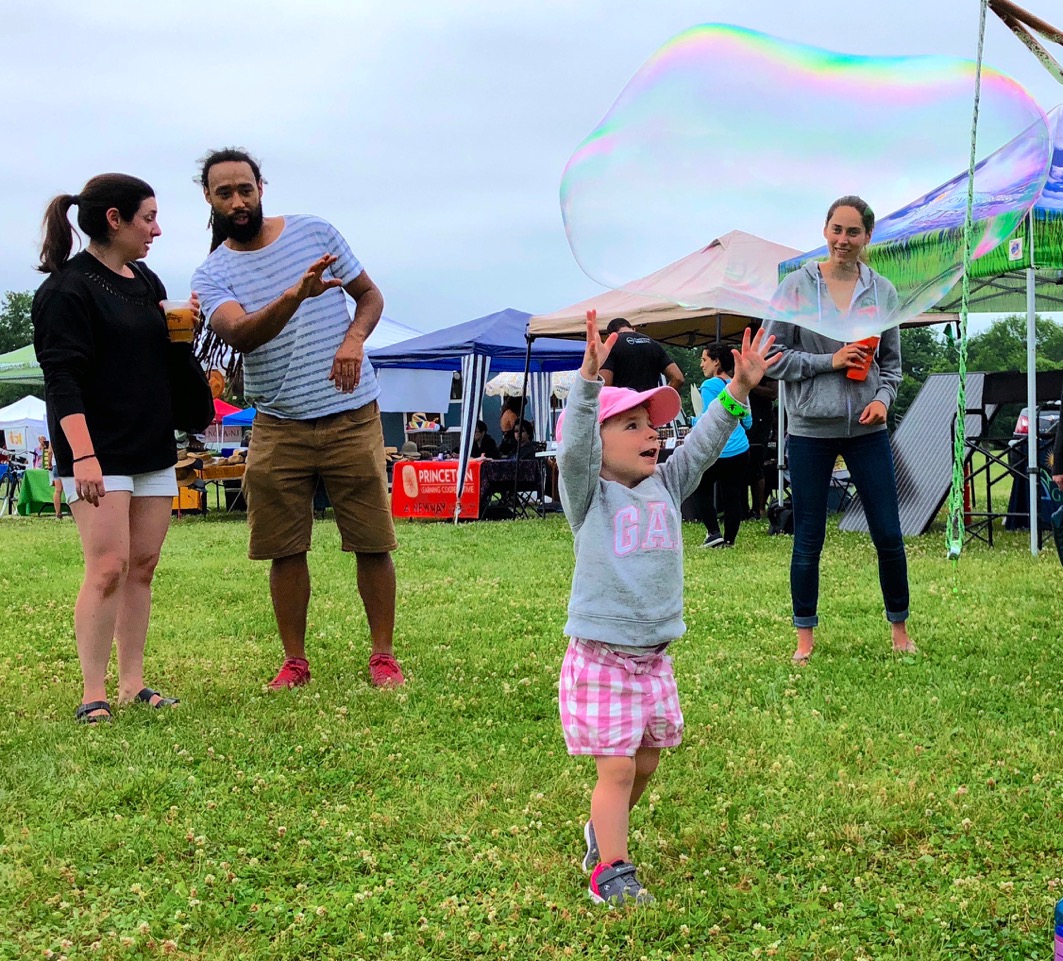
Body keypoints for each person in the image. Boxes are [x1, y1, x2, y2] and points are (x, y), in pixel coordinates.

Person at [557, 310, 777, 906]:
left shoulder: (667, 483)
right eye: (631, 426)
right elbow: (573, 450)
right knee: (619, 770)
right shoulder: (587, 494)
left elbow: (705, 439)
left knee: (648, 762)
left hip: (654, 660)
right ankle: (613, 871)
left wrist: (738, 388)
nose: (651, 434)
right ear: (600, 444)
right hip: (603, 656)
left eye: (652, 425)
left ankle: (601, 830)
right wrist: (588, 382)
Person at [191, 147, 404, 690]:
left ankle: (383, 656)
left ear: (262, 187)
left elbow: (370, 296)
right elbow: (240, 334)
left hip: (351, 413)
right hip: (279, 421)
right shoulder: (212, 274)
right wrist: (296, 293)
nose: (238, 201)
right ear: (209, 200)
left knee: (372, 541)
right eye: (225, 193)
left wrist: (354, 339)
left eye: (245, 189)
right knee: (284, 548)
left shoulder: (315, 232)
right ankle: (295, 662)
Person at [32, 173, 186, 723]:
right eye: (148, 218)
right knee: (107, 567)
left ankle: (132, 683)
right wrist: (84, 457)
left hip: (150, 445)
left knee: (142, 564)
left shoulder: (144, 280)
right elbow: (62, 379)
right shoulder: (66, 289)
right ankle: (92, 691)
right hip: (96, 451)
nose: (157, 230)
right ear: (114, 220)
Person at [764, 195, 915, 664]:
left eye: (853, 232)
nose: (843, 240)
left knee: (888, 533)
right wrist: (830, 361)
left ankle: (900, 630)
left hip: (867, 431)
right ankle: (804, 640)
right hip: (810, 429)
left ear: (867, 237)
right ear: (824, 231)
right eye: (836, 230)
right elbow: (772, 360)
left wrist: (881, 400)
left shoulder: (882, 292)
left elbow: (891, 368)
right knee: (809, 535)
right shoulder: (795, 287)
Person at [691, 344, 752, 547]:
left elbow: (710, 420)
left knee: (700, 488)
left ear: (716, 361)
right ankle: (729, 540)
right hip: (741, 449)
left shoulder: (709, 386)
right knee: (732, 496)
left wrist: (692, 421)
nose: (701, 364)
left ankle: (713, 533)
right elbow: (748, 421)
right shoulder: (738, 384)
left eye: (704, 359)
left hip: (719, 450)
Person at [599, 317, 684, 393]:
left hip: (624, 407)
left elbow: (604, 386)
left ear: (609, 336)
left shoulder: (611, 346)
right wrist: (660, 398)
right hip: (648, 407)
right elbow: (678, 378)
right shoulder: (654, 344)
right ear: (633, 329)